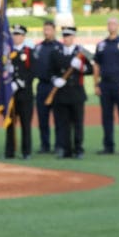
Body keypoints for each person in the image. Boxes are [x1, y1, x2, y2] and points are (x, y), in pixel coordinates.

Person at [48, 26, 93, 159]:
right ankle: (65, 149)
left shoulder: (82, 52)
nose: (67, 39)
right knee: (63, 123)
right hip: (61, 93)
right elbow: (50, 70)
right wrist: (55, 79)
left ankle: (78, 149)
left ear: (74, 37)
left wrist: (82, 66)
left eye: (69, 36)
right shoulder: (56, 51)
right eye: (65, 36)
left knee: (78, 123)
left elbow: (93, 67)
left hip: (76, 92)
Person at [93, 17, 119, 155]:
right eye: (109, 24)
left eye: (114, 24)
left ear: (118, 26)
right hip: (105, 84)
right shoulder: (101, 45)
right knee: (106, 118)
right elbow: (96, 65)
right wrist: (96, 85)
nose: (111, 26)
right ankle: (108, 146)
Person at [3, 25, 35, 159]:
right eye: (14, 34)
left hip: (25, 94)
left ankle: (26, 151)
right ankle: (9, 151)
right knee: (10, 123)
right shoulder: (7, 53)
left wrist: (21, 82)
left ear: (23, 36)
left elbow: (33, 71)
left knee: (25, 124)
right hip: (10, 94)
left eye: (19, 35)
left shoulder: (29, 52)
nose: (16, 37)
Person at [31, 20, 63, 153]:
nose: (46, 32)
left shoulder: (60, 47)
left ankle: (59, 145)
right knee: (42, 118)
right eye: (45, 29)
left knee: (58, 118)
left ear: (54, 30)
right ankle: (45, 145)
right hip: (42, 85)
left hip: (56, 87)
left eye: (49, 29)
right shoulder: (38, 48)